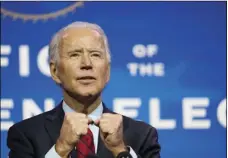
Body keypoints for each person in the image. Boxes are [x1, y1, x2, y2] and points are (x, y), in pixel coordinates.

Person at [7, 21, 161, 158]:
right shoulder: (25, 134)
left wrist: (120, 150)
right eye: (74, 55)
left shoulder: (142, 135)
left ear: (107, 72)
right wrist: (60, 150)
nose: (86, 63)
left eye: (95, 55)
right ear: (55, 72)